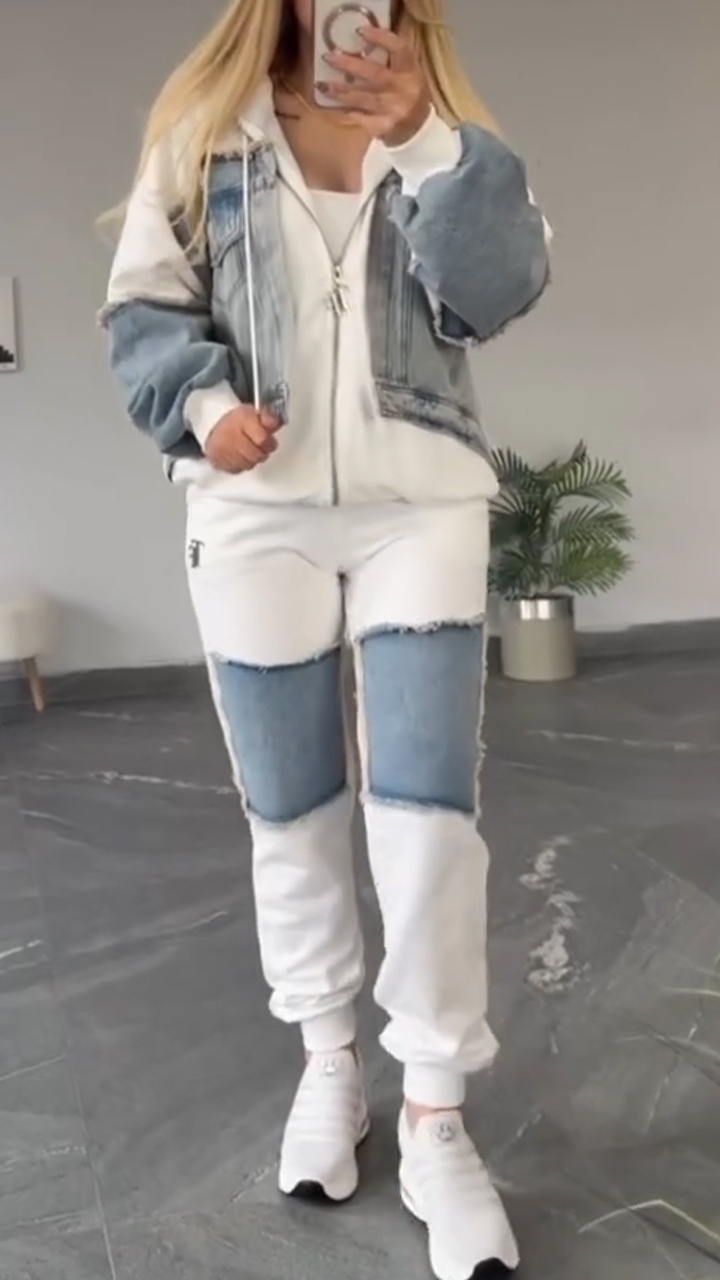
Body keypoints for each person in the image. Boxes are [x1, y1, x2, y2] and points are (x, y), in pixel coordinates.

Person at [102, 1, 550, 1275]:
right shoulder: (205, 133)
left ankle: (436, 1111)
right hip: (254, 512)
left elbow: (501, 289)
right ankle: (328, 1060)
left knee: (428, 822)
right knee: (290, 810)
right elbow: (142, 307)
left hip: (422, 505)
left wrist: (427, 142)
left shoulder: (452, 136)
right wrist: (205, 405)